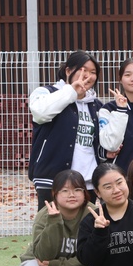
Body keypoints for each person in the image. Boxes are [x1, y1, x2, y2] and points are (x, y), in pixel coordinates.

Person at [29, 50, 105, 209]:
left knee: (84, 229)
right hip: (52, 177)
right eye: (83, 70)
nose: (88, 76)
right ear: (68, 71)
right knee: (52, 227)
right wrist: (71, 91)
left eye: (93, 72)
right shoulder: (46, 93)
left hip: (87, 181)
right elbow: (40, 113)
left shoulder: (96, 105)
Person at [98, 58, 133, 172]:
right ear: (120, 80)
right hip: (119, 176)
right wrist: (121, 110)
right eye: (127, 75)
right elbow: (110, 145)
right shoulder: (108, 110)